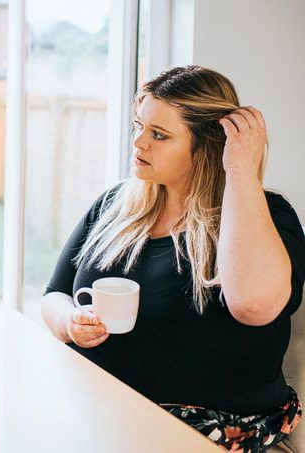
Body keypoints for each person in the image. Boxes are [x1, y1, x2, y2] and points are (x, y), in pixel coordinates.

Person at [42, 66, 305, 452]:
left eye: (159, 135)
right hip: (103, 409)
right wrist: (70, 322)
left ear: (208, 146)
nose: (137, 143)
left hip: (207, 428)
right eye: (139, 126)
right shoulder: (115, 206)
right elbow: (54, 294)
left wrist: (240, 170)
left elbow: (255, 306)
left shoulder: (269, 216)